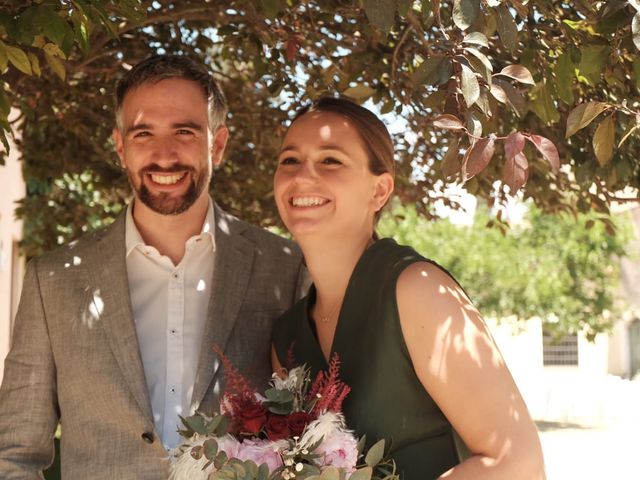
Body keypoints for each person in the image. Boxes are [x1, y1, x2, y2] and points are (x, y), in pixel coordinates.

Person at [0, 55, 306, 479]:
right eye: (144, 133)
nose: (164, 156)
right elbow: (15, 452)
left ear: (217, 144)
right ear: (121, 146)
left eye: (184, 131)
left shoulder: (284, 267)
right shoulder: (53, 280)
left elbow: (310, 428)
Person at [271, 97, 546, 479]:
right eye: (289, 160)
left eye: (331, 160)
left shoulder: (417, 290)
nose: (302, 176)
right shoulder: (285, 335)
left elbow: (518, 464)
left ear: (379, 191)